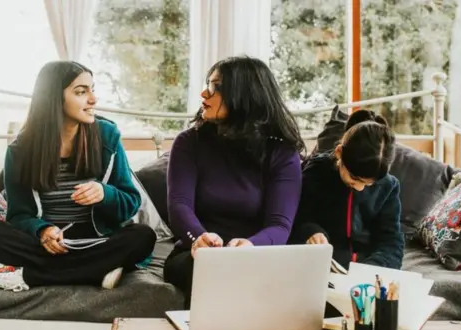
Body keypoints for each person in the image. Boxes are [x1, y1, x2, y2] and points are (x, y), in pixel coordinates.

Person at [0, 61, 156, 292]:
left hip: (95, 240)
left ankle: (28, 276)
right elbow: (18, 215)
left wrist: (105, 194)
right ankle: (96, 271)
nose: (93, 99)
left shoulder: (107, 137)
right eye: (81, 92)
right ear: (53, 98)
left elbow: (130, 203)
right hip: (47, 244)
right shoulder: (21, 150)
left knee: (142, 236)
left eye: (92, 89)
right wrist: (43, 230)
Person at [163, 56, 305, 307]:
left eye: (216, 87)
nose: (204, 93)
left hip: (258, 256)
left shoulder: (281, 153)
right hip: (196, 254)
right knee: (213, 273)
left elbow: (280, 225)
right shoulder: (189, 142)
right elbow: (179, 205)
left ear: (244, 96)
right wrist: (199, 238)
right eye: (208, 84)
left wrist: (251, 245)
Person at [289, 109, 404, 270]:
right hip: (323, 264)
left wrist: (373, 268)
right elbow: (298, 217)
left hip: (367, 270)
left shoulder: (388, 186)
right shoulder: (316, 172)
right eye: (354, 178)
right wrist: (311, 232)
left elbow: (391, 241)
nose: (359, 187)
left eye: (369, 183)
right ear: (339, 153)